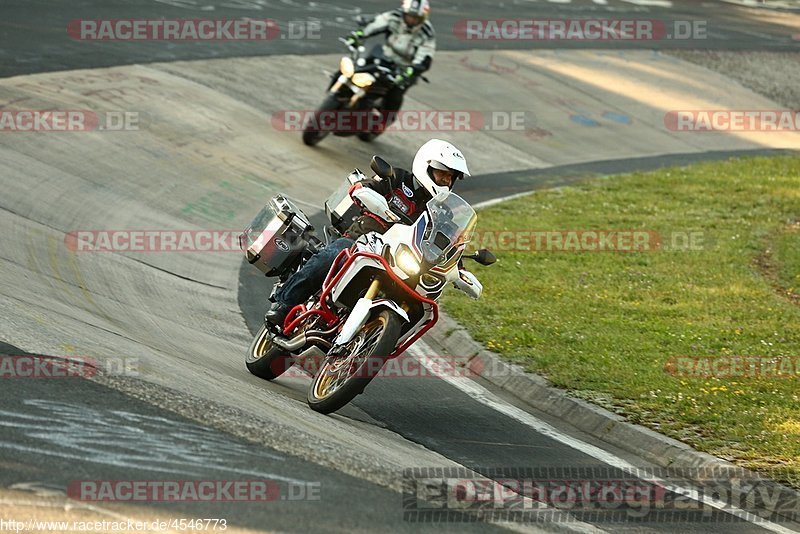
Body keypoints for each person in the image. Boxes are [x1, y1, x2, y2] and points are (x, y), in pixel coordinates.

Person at [265, 138, 469, 327]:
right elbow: (367, 185)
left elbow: (448, 244)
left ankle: (371, 340)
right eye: (442, 172)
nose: (446, 180)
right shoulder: (398, 179)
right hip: (363, 240)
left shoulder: (443, 211)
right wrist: (364, 189)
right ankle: (285, 303)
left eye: (451, 177)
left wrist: (460, 269)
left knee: (419, 303)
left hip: (400, 261)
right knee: (331, 256)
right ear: (426, 165)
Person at [345, 0, 435, 130]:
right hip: (385, 54)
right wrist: (359, 35)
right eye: (410, 16)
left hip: (406, 67)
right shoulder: (394, 16)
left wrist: (411, 71)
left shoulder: (427, 33)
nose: (412, 20)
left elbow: (426, 57)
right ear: (404, 13)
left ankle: (383, 122)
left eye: (416, 18)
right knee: (358, 67)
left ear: (423, 18)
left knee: (396, 92)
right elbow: (375, 24)